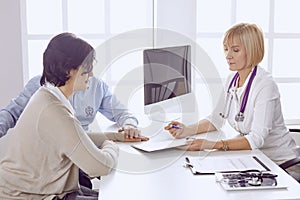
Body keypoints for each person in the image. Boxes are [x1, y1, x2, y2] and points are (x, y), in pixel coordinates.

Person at [0, 32, 145, 199]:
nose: (90, 74)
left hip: (55, 180)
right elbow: (100, 167)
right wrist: (110, 143)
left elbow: (77, 136)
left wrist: (117, 136)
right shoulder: (53, 107)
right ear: (69, 70)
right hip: (30, 194)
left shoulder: (50, 95)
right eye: (86, 69)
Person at [165, 23, 300, 180]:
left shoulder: (265, 85)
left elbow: (256, 138)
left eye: (235, 50)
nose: (228, 55)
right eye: (226, 49)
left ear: (252, 51)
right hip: (254, 159)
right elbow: (216, 119)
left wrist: (211, 144)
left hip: (281, 165)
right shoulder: (232, 79)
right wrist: (187, 130)